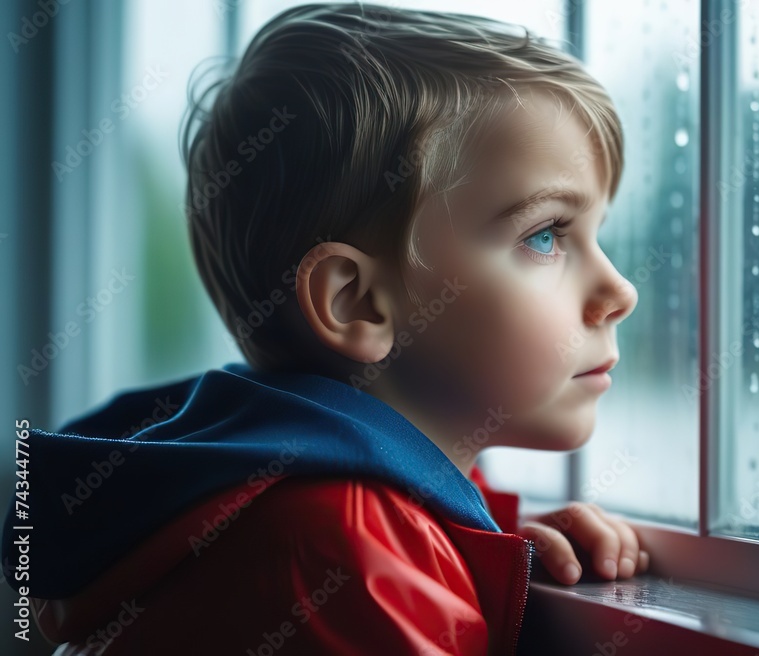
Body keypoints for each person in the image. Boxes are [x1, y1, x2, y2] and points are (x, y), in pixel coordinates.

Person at [2, 3, 646, 653]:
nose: (620, 290)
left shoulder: (335, 509)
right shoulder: (342, 548)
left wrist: (481, 549)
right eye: (545, 235)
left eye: (597, 234)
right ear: (357, 303)